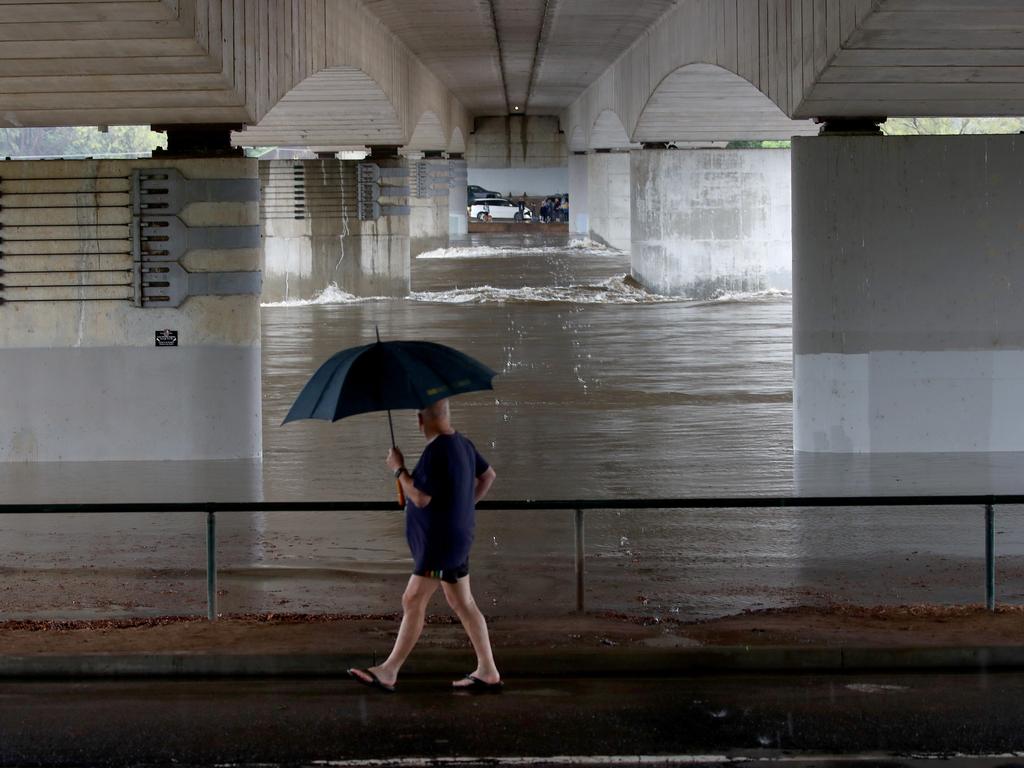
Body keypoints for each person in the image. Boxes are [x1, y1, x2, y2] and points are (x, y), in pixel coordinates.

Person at [347, 399, 501, 693]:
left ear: (421, 420)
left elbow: (420, 497)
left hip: (439, 545)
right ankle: (488, 671)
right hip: (457, 538)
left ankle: (389, 670)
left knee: (413, 599)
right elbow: (488, 476)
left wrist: (398, 469)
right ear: (446, 415)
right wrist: (463, 508)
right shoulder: (463, 444)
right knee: (463, 603)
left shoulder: (437, 451)